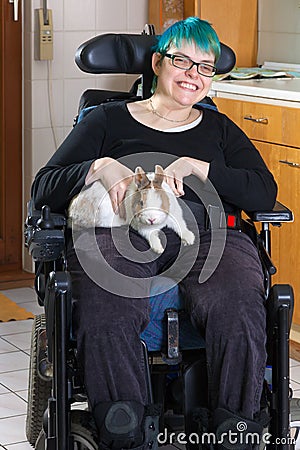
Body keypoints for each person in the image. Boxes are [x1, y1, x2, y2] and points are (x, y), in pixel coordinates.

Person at [31, 17, 277, 450]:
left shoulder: (218, 129)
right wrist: (99, 168)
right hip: (119, 234)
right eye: (181, 60)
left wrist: (203, 170)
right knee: (108, 300)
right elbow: (44, 189)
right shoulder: (106, 120)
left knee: (236, 303)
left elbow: (263, 190)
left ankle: (235, 433)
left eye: (205, 66)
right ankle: (125, 435)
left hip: (209, 237)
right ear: (159, 63)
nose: (192, 74)